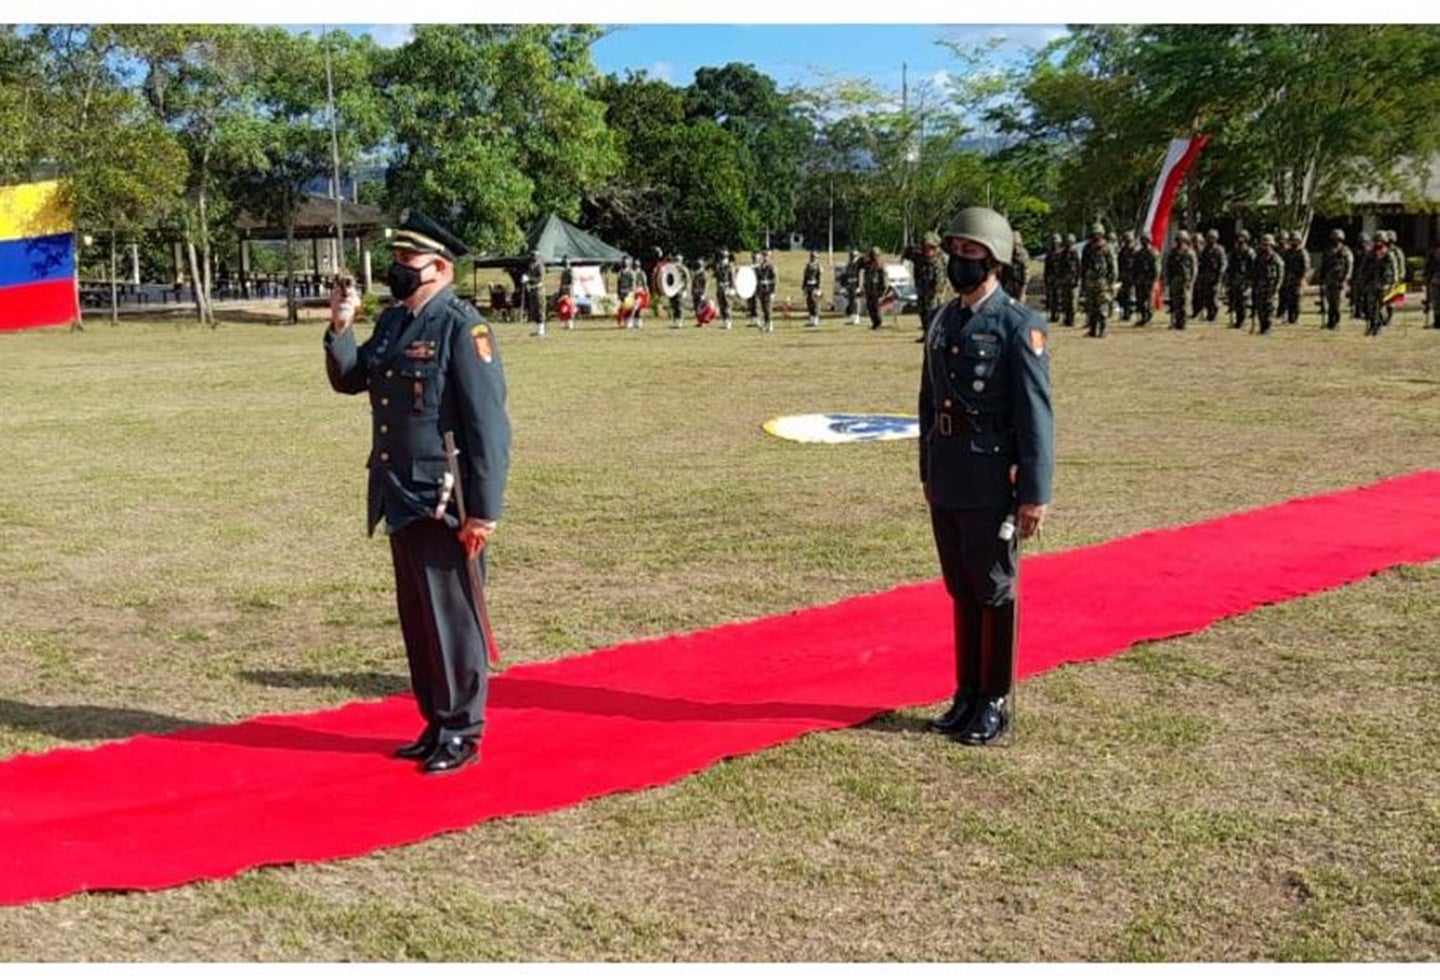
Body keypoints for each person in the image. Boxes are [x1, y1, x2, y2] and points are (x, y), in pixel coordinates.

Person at [323, 209, 511, 775]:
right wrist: (340, 326)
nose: (397, 269)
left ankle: (462, 730)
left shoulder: (461, 326)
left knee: (453, 616)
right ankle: (435, 720)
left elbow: (489, 426)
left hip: (443, 492)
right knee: (419, 615)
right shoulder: (394, 321)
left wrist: (484, 511)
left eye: (409, 261)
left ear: (441, 268)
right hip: (399, 487)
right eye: (398, 259)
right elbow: (352, 378)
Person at [919, 206, 1054, 746]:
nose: (959, 260)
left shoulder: (1019, 325)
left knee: (993, 588)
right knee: (961, 586)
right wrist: (927, 468)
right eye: (955, 250)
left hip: (991, 476)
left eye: (971, 252)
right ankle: (966, 692)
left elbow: (1035, 414)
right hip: (948, 474)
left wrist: (1034, 494)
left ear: (994, 258)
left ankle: (994, 700)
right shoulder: (943, 319)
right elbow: (929, 401)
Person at [913, 231, 947, 342]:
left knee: (933, 314)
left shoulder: (940, 259)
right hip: (923, 290)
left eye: (930, 247)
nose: (927, 250)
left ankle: (934, 336)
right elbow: (917, 273)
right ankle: (927, 334)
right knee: (923, 313)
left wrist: (937, 291)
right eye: (925, 246)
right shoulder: (921, 259)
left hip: (935, 293)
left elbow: (941, 278)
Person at [1318, 229, 1353, 330]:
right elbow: (1323, 265)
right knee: (1330, 302)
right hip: (1329, 280)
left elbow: (1349, 266)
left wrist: (1346, 278)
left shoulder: (1346, 251)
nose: (1336, 241)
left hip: (1340, 281)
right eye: (1334, 239)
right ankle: (1330, 322)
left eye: (1338, 239)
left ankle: (1336, 322)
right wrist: (1322, 276)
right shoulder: (1328, 251)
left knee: (1338, 303)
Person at [1251, 233, 1284, 334]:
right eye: (1264, 245)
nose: (1265, 247)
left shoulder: (1276, 259)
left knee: (1270, 307)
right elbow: (1255, 273)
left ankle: (1268, 327)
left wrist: (1277, 287)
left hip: (1271, 286)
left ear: (1272, 245)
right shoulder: (1258, 258)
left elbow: (1280, 275)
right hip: (1260, 286)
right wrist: (1254, 285)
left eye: (1267, 245)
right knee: (1260, 308)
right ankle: (1262, 327)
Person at [1164, 231, 1197, 330]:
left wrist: (1191, 281)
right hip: (1174, 280)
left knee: (1184, 301)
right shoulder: (1172, 253)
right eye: (1177, 240)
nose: (1179, 242)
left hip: (1185, 280)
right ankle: (1176, 321)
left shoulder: (1189, 253)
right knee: (1175, 302)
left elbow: (1194, 268)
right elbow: (1168, 267)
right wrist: (1167, 278)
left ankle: (1182, 323)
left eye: (1181, 240)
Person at [1194, 229, 1227, 322]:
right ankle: (1208, 314)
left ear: (1216, 239)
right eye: (1209, 238)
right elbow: (1200, 261)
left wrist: (1220, 274)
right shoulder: (1205, 250)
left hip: (1215, 275)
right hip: (1205, 276)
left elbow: (1223, 263)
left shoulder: (1219, 250)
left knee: (1213, 296)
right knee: (1205, 296)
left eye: (1212, 238)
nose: (1210, 240)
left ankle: (1213, 314)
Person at [1227, 231, 1256, 328]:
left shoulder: (1250, 253)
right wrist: (1228, 278)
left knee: (1243, 301)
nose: (1240, 241)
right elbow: (1230, 266)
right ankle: (1238, 320)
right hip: (1235, 279)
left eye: (1243, 239)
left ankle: (1242, 320)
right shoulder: (1234, 253)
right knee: (1236, 300)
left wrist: (1251, 281)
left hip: (1245, 279)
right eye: (1239, 238)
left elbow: (1253, 268)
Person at [1131, 232, 1160, 326]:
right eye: (1143, 240)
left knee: (1148, 300)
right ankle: (1143, 318)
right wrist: (1134, 278)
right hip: (1140, 280)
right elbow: (1135, 267)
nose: (1144, 242)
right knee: (1140, 300)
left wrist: (1154, 279)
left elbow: (1156, 268)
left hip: (1149, 280)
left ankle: (1148, 318)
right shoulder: (1138, 253)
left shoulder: (1153, 253)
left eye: (1146, 240)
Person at [862, 246, 889, 330]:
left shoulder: (880, 266)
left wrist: (883, 291)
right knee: (870, 307)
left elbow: (884, 279)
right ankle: (874, 323)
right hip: (869, 288)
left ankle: (879, 323)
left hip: (876, 289)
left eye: (875, 255)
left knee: (876, 307)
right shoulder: (867, 265)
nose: (873, 256)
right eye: (872, 254)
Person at [999, 231, 1029, 303]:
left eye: (1018, 245)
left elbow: (1025, 275)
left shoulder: (1023, 254)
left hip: (1018, 285)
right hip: (1006, 285)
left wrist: (1022, 292)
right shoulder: (1005, 252)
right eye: (1014, 245)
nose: (1016, 248)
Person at [1058, 232, 1080, 327]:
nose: (1069, 244)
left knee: (1073, 301)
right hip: (1064, 280)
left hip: (1073, 280)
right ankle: (1066, 319)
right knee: (1065, 301)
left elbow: (1079, 267)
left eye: (1070, 242)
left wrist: (1078, 279)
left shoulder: (1076, 253)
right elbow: (1060, 267)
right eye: (1067, 242)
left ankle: (1072, 319)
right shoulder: (1063, 253)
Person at [523, 250, 546, 338]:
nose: (532, 258)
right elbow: (528, 275)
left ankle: (541, 330)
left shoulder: (540, 266)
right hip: (532, 289)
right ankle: (536, 329)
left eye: (534, 256)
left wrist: (529, 279)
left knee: (540, 308)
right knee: (534, 309)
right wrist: (525, 280)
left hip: (539, 289)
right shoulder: (530, 266)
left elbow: (540, 279)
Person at [1115, 231, 1137, 321]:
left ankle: (1129, 313)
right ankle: (1124, 313)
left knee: (1130, 296)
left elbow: (1137, 265)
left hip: (1132, 276)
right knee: (1122, 296)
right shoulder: (1123, 251)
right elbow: (1119, 264)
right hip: (1124, 277)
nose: (1127, 243)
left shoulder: (1134, 251)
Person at [1042, 233, 1063, 322]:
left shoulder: (1062, 254)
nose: (1055, 245)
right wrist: (1046, 278)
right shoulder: (1049, 254)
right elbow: (1046, 267)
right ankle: (1052, 314)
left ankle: (1058, 314)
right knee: (1051, 297)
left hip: (1059, 278)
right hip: (1051, 278)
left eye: (1057, 243)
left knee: (1058, 297)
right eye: (1054, 243)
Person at [756, 248, 777, 332]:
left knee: (768, 308)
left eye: (767, 256)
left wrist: (773, 292)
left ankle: (770, 324)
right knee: (763, 308)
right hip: (761, 289)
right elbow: (757, 279)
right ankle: (766, 323)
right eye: (763, 256)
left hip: (768, 289)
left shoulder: (771, 267)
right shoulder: (759, 267)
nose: (765, 258)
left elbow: (775, 280)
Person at [714, 248, 735, 330]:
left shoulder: (729, 267)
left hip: (727, 287)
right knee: (721, 305)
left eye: (724, 257)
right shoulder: (719, 267)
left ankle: (729, 321)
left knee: (727, 305)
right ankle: (724, 321)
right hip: (720, 287)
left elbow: (732, 278)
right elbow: (717, 278)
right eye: (721, 257)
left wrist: (731, 288)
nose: (723, 259)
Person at [802, 250, 823, 327]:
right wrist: (804, 287)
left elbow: (820, 278)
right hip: (808, 286)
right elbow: (805, 277)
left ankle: (816, 319)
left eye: (814, 257)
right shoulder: (808, 266)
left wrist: (819, 288)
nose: (812, 258)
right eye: (811, 257)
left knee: (815, 303)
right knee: (809, 303)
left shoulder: (818, 267)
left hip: (815, 286)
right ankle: (811, 319)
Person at [843, 248, 862, 325]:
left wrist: (859, 287)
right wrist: (845, 285)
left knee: (855, 301)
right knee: (850, 301)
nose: (852, 257)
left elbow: (860, 276)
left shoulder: (858, 265)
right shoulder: (849, 265)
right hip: (850, 285)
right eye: (851, 256)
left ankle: (857, 317)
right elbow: (846, 276)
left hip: (855, 284)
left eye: (854, 256)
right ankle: (852, 317)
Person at [557, 255, 576, 331]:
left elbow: (571, 282)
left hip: (569, 290)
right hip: (564, 289)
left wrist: (567, 292)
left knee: (569, 307)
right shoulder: (564, 271)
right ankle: (566, 324)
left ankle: (570, 324)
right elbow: (562, 283)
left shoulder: (570, 270)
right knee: (563, 308)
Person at [1424, 237, 1440, 329]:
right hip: (1435, 278)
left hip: (1435, 279)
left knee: (1436, 301)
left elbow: (1427, 267)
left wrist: (1427, 277)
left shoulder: (1432, 253)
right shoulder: (1432, 253)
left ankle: (1437, 321)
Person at [690, 257, 709, 326]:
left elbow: (706, 284)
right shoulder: (695, 274)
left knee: (700, 308)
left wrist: (704, 293)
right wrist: (692, 292)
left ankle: (703, 321)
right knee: (696, 308)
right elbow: (693, 284)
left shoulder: (703, 274)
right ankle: (699, 322)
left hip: (701, 293)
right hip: (695, 293)